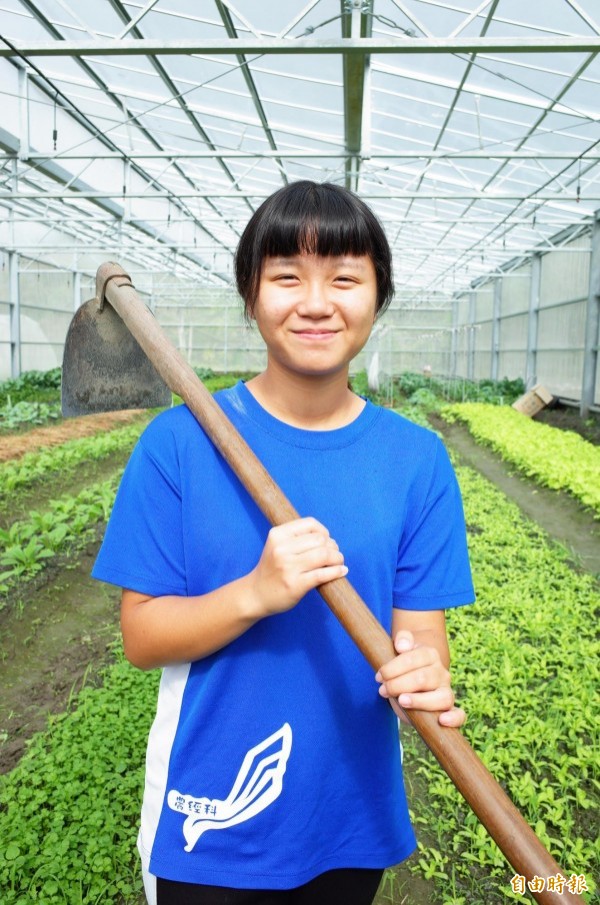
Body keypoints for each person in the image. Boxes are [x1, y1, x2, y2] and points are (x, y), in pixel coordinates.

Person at [92, 180, 475, 905]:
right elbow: (142, 637)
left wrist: (424, 670)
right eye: (286, 277)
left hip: (350, 811)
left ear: (377, 296)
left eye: (345, 277)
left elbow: (421, 634)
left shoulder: (415, 459)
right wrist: (256, 592)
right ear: (251, 294)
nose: (316, 301)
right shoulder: (177, 446)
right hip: (209, 818)